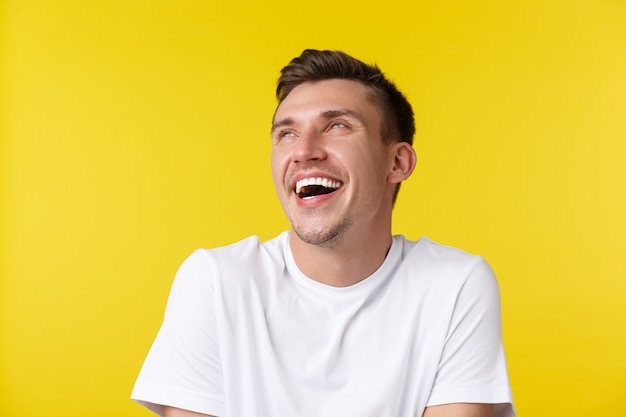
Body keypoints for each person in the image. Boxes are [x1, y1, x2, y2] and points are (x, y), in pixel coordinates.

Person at [131, 49, 515, 417]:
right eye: (287, 133)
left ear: (397, 162)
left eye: (337, 126)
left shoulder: (455, 285)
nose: (304, 151)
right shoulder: (215, 281)